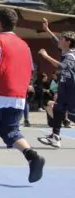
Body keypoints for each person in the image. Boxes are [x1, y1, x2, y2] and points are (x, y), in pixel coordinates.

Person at [0, 8, 45, 184]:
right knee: (11, 131)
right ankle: (33, 157)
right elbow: (31, 70)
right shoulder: (24, 45)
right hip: (18, 96)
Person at [37, 18, 75, 148]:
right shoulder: (66, 51)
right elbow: (55, 41)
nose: (59, 40)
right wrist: (47, 29)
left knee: (71, 115)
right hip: (65, 87)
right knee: (58, 110)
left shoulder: (71, 56)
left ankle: (55, 135)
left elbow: (62, 67)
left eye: (62, 39)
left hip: (71, 89)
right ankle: (55, 136)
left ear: (68, 42)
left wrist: (46, 56)